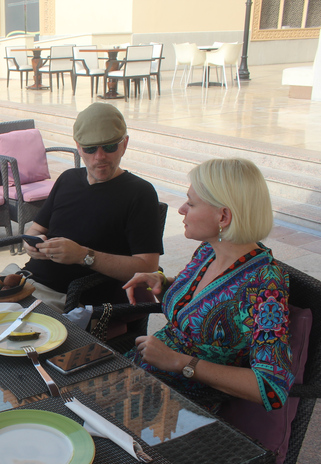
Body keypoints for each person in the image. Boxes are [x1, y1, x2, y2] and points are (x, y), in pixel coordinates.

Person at [123, 158, 293, 412]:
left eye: (191, 203)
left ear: (223, 216)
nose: (181, 209)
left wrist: (180, 362)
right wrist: (163, 284)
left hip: (176, 405)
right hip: (139, 375)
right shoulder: (208, 251)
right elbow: (201, 309)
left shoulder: (266, 285)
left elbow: (271, 386)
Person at [15, 103, 163, 311]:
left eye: (109, 147)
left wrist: (83, 256)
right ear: (78, 147)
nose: (100, 157)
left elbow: (148, 267)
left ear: (125, 144)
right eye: (90, 148)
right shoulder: (68, 179)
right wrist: (32, 244)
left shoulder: (140, 193)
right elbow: (37, 229)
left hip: (73, 301)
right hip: (27, 284)